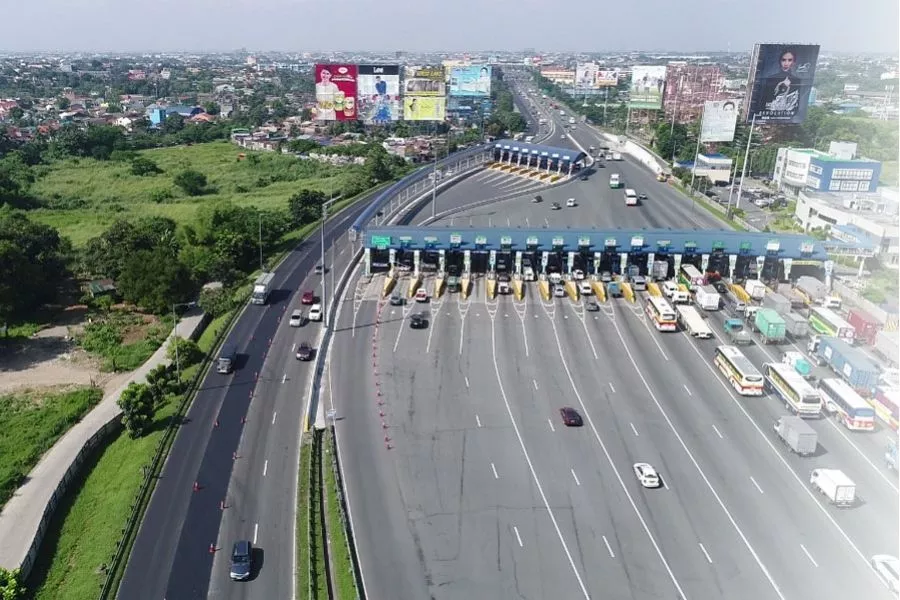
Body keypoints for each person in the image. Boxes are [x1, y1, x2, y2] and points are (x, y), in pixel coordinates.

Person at [760, 48, 806, 116]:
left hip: (788, 115)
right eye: (783, 60)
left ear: (793, 62)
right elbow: (764, 100)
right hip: (770, 113)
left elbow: (796, 103)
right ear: (780, 61)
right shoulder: (771, 78)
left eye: (790, 60)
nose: (786, 63)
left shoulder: (797, 80)